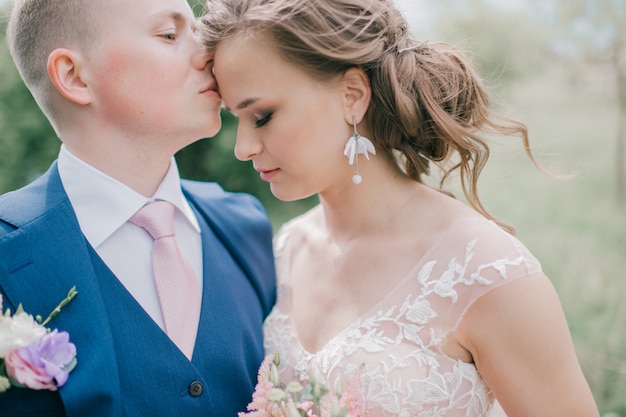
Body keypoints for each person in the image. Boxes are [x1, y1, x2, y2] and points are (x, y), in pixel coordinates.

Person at [199, 0, 600, 415]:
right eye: (236, 119)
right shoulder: (286, 248)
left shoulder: (484, 271)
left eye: (262, 116)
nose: (243, 148)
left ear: (352, 96)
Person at [0, 0, 275, 416]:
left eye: (198, 32)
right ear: (74, 77)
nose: (209, 54)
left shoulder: (245, 227)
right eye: (169, 35)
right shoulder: (8, 250)